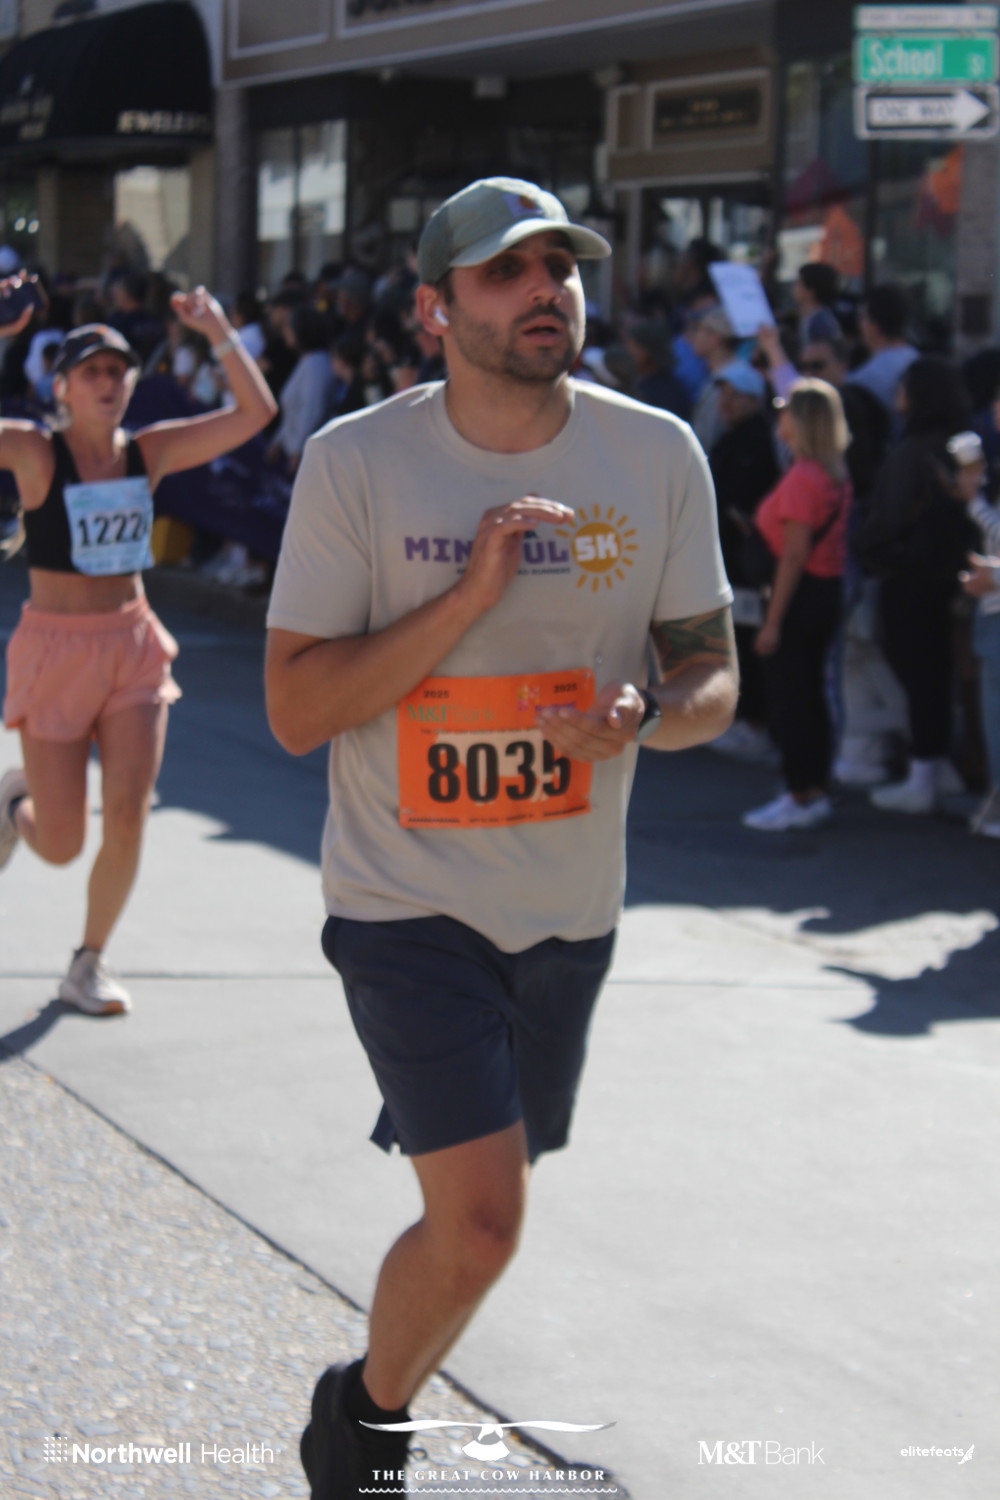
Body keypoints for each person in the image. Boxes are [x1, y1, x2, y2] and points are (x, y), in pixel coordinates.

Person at [264, 174, 738, 1498]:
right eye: (506, 272)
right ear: (435, 309)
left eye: (560, 268)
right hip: (404, 901)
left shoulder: (656, 454)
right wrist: (467, 597)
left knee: (472, 1217)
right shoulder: (358, 462)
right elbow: (296, 709)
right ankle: (369, 1444)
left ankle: (362, 1403)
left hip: (568, 914)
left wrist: (648, 714)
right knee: (483, 1225)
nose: (546, 292)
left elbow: (711, 674)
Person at [0, 291, 277, 1013]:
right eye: (91, 371)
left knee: (127, 815)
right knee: (60, 844)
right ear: (61, 386)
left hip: (133, 647)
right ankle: (14, 804)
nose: (108, 382)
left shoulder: (146, 452)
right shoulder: (35, 450)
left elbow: (255, 414)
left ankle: (87, 963)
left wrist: (218, 330)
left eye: (118, 370)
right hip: (56, 653)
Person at [859, 357, 979, 814]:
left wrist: (865, 545)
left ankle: (925, 771)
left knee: (920, 673)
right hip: (952, 579)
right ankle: (936, 765)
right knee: (937, 675)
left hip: (910, 577)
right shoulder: (962, 445)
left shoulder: (912, 452)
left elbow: (887, 521)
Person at [742, 379, 852, 830]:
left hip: (799, 595)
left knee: (792, 700)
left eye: (786, 409)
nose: (779, 415)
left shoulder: (805, 478)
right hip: (823, 592)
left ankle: (799, 791)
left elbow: (794, 555)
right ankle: (812, 788)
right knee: (808, 696)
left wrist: (772, 622)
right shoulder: (829, 473)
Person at [847, 284, 918, 415]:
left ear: (873, 326)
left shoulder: (865, 378)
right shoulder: (917, 360)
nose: (860, 326)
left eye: (862, 318)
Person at [793, 262, 842, 349]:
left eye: (798, 283)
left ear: (810, 291)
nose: (794, 287)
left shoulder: (820, 323)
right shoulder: (808, 316)